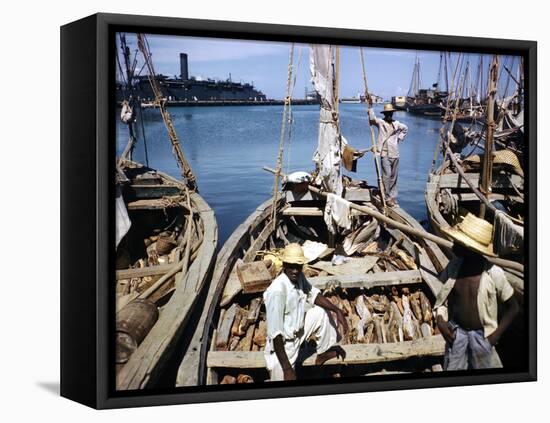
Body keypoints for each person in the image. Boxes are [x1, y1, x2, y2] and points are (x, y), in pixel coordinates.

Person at [434, 213, 519, 370]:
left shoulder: (494, 274)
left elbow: (513, 308)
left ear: (470, 249)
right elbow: (443, 299)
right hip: (456, 333)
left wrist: (495, 335)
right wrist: (440, 319)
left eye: (458, 243)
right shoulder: (453, 267)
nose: (453, 245)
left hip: (483, 336)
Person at [263, 243, 348, 381]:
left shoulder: (298, 276)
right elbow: (276, 335)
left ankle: (322, 354)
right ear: (284, 264)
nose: (295, 270)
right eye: (291, 265)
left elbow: (313, 294)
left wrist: (336, 309)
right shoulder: (278, 291)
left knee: (321, 312)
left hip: (298, 332)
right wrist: (287, 369)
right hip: (284, 345)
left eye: (298, 266)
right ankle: (284, 368)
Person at [368, 99, 408, 207]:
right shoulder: (381, 123)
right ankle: (386, 197)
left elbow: (405, 129)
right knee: (387, 175)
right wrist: (370, 107)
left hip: (395, 153)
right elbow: (372, 119)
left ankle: (393, 196)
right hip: (384, 153)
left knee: (394, 176)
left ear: (392, 113)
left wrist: (398, 139)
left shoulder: (396, 124)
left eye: (390, 113)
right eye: (387, 113)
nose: (389, 115)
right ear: (385, 114)